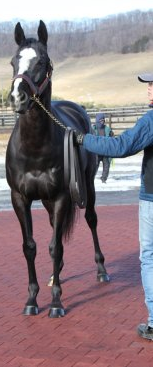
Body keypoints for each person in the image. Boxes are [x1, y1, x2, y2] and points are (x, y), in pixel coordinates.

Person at [74, 72, 153, 340]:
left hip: (152, 199)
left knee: (150, 257)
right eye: (149, 85)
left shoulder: (151, 120)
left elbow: (121, 146)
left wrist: (84, 140)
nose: (149, 90)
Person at [92, 113, 114, 183]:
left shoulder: (107, 129)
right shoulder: (92, 129)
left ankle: (103, 179)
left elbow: (112, 139)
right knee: (95, 166)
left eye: (103, 120)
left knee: (106, 166)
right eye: (101, 120)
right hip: (96, 152)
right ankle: (92, 178)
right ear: (97, 121)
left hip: (105, 151)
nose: (103, 121)